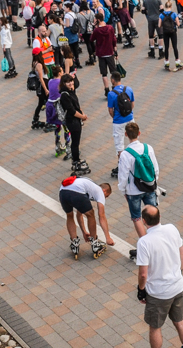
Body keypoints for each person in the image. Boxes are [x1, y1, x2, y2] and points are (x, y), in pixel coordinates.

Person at [135, 205, 183, 348]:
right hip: (178, 287)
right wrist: (179, 273)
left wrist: (141, 290)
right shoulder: (172, 229)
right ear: (160, 217)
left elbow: (143, 274)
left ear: (143, 221)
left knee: (155, 327)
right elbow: (182, 254)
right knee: (179, 321)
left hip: (158, 294)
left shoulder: (144, 242)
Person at [118, 121, 160, 260]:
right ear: (139, 133)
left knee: (136, 217)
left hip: (133, 190)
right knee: (153, 216)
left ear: (126, 135)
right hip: (149, 187)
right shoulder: (148, 148)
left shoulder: (125, 154)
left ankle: (147, 247)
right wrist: (154, 182)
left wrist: (123, 190)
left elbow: (123, 175)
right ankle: (157, 244)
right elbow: (155, 168)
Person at [59, 176, 114, 259]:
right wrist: (108, 237)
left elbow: (79, 214)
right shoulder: (99, 191)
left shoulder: (88, 188)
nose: (105, 198)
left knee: (69, 215)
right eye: (107, 196)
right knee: (91, 214)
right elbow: (101, 215)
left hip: (63, 191)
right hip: (76, 192)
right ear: (104, 191)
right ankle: (95, 243)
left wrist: (84, 231)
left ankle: (74, 243)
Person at [59, 73, 89, 175]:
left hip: (77, 119)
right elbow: (71, 110)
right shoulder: (64, 95)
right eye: (68, 82)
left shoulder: (71, 91)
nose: (71, 83)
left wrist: (82, 114)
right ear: (63, 83)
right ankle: (76, 161)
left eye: (71, 81)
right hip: (72, 121)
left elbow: (77, 105)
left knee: (76, 142)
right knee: (75, 143)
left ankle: (76, 160)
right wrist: (82, 117)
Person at [107, 72, 135, 179]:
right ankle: (134, 161)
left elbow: (110, 110)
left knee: (119, 145)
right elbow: (132, 104)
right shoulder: (129, 89)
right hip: (130, 119)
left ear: (113, 80)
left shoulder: (111, 94)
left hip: (118, 122)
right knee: (133, 140)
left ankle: (122, 166)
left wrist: (116, 117)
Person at [89, 12, 118, 96]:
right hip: (110, 52)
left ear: (98, 20)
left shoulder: (96, 30)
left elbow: (91, 39)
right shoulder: (110, 28)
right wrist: (115, 49)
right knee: (113, 71)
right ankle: (114, 87)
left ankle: (106, 89)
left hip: (101, 54)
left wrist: (95, 28)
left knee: (104, 73)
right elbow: (114, 39)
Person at [157, 1, 183, 71]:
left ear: (165, 6)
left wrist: (163, 24)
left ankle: (167, 62)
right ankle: (177, 61)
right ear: (171, 6)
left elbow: (159, 25)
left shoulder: (161, 15)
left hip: (165, 32)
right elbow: (178, 24)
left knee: (166, 47)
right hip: (173, 31)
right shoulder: (174, 14)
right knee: (175, 47)